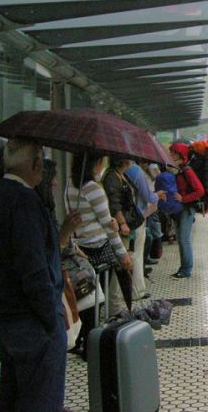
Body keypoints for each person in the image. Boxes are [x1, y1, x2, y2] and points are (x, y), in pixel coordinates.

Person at [0, 138, 77, 411]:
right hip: (34, 324)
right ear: (36, 163)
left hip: (7, 320)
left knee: (12, 398)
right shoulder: (25, 201)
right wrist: (50, 320)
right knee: (41, 401)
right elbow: (33, 269)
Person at [66, 153, 134, 358]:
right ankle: (93, 347)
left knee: (86, 300)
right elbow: (107, 224)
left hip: (79, 249)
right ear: (97, 163)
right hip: (98, 248)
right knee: (98, 301)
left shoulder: (70, 184)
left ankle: (83, 341)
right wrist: (122, 254)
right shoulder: (93, 188)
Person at [102, 156, 139, 314]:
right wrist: (122, 222)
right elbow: (114, 203)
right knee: (120, 266)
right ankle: (114, 308)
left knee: (125, 264)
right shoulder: (112, 177)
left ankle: (117, 304)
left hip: (126, 225)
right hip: (119, 227)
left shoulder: (120, 175)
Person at [125, 161, 165, 299]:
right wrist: (157, 195)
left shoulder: (112, 172)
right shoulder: (135, 171)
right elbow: (147, 195)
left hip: (125, 218)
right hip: (138, 216)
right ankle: (137, 290)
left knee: (128, 253)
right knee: (136, 254)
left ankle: (129, 289)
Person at [169, 142, 205, 279]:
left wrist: (183, 199)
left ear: (181, 155)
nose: (171, 155)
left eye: (173, 153)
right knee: (181, 239)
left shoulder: (187, 171)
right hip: (180, 209)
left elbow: (200, 191)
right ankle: (183, 268)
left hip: (187, 209)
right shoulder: (178, 170)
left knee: (184, 240)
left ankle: (186, 270)